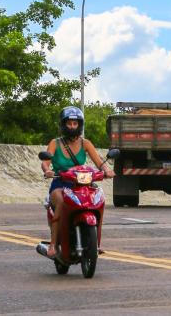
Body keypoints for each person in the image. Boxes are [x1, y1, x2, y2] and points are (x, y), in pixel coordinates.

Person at [38, 106, 113, 258]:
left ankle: (95, 243)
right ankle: (53, 245)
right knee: (60, 201)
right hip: (60, 183)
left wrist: (107, 170)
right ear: (63, 124)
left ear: (80, 125)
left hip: (81, 185)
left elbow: (99, 162)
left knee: (98, 200)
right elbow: (45, 162)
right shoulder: (55, 143)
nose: (72, 126)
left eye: (75, 123)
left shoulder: (85, 143)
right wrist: (47, 171)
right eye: (69, 123)